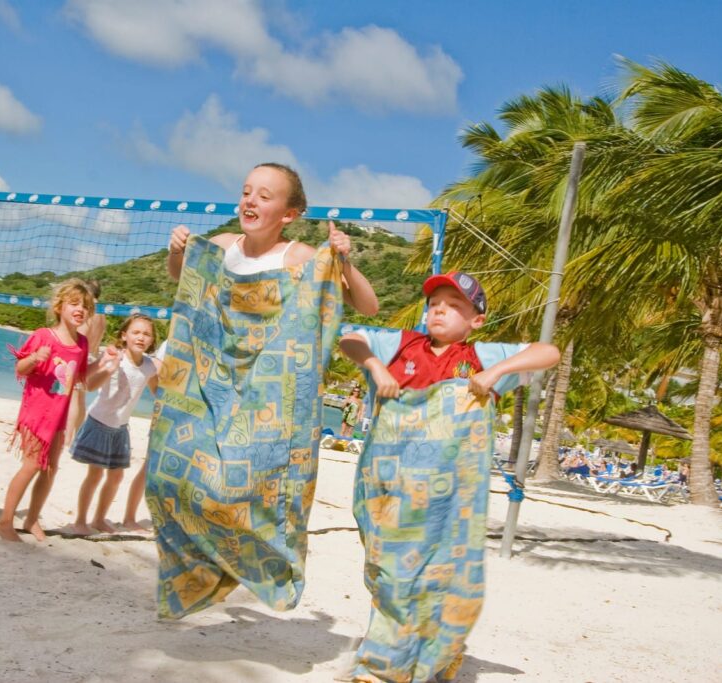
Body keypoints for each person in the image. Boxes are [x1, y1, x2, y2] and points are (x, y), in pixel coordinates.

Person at [148, 162, 379, 618]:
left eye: (265, 195)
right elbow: (181, 280)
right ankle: (201, 570)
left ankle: (256, 566)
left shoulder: (298, 257)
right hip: (207, 376)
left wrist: (343, 259)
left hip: (266, 390)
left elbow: (367, 304)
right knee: (164, 480)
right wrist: (177, 251)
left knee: (244, 487)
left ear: (289, 214)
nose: (251, 200)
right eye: (246, 191)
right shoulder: (217, 247)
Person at [338, 271, 560, 682]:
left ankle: (381, 670)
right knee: (386, 572)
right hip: (387, 486)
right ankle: (429, 652)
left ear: (476, 320)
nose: (440, 310)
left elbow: (548, 352)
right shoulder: (401, 344)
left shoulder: (482, 358)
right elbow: (349, 339)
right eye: (435, 303)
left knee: (436, 573)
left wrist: (496, 374)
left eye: (454, 305)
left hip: (446, 500)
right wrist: (375, 365)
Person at [0, 279, 117, 542]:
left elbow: (81, 379)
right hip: (36, 414)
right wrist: (33, 359)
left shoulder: (82, 344)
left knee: (50, 469)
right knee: (30, 466)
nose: (80, 310)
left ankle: (31, 520)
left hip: (59, 418)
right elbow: (20, 370)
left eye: (85, 306)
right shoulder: (43, 336)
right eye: (74, 304)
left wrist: (106, 364)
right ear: (59, 306)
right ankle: (6, 521)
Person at [70, 313, 158, 535]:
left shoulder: (149, 366)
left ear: (152, 340)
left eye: (146, 334)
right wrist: (110, 367)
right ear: (124, 335)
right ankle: (80, 520)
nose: (141, 337)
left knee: (116, 476)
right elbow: (90, 385)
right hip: (99, 423)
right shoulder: (115, 357)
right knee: (95, 475)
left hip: (121, 429)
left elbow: (158, 391)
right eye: (136, 332)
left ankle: (99, 519)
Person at [64, 279, 106, 440]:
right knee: (80, 398)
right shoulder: (103, 313)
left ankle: (68, 438)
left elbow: (80, 334)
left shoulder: (89, 309)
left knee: (73, 397)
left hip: (80, 354)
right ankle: (77, 435)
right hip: (92, 356)